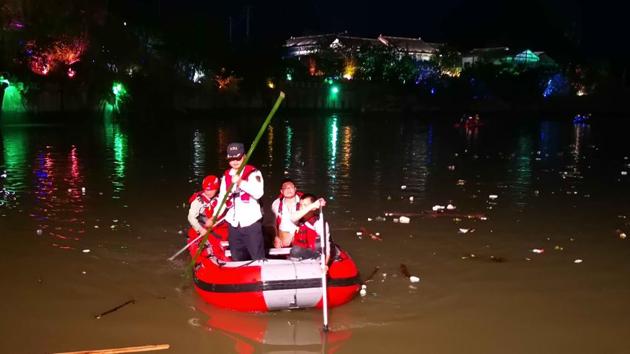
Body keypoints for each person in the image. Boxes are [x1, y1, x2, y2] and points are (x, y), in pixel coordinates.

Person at [216, 142, 266, 261]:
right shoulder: (227, 175)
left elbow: (258, 193)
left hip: (251, 223)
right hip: (233, 224)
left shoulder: (254, 173)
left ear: (244, 156)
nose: (235, 161)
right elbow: (222, 199)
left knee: (257, 257)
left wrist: (240, 182)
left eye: (238, 158)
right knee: (237, 257)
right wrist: (214, 217)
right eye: (231, 158)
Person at [187, 175, 228, 258]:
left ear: (217, 189)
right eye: (206, 190)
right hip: (204, 228)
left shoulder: (221, 197)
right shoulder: (199, 201)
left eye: (211, 190)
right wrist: (200, 229)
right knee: (210, 243)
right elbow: (191, 217)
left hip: (220, 228)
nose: (208, 192)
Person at [289, 194, 332, 263]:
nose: (302, 207)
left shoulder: (319, 223)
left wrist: (325, 264)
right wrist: (312, 205)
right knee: (295, 250)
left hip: (316, 253)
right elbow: (293, 218)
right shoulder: (298, 217)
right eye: (301, 205)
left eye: (305, 205)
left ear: (314, 208)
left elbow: (326, 246)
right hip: (301, 251)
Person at [270, 179, 302, 248]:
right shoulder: (276, 203)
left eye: (290, 187)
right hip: (283, 236)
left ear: (295, 189)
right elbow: (273, 223)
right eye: (285, 188)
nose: (288, 189)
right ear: (281, 191)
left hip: (299, 234)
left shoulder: (303, 201)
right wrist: (276, 237)